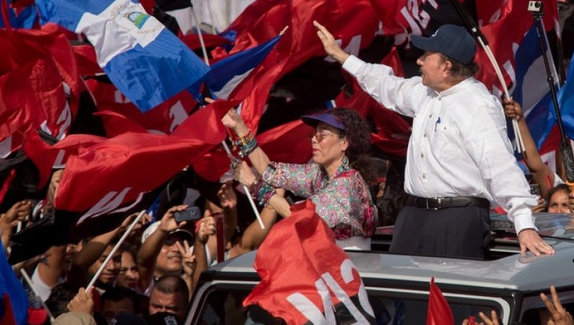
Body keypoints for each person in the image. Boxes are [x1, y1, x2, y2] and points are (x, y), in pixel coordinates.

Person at [314, 21, 552, 259]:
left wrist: (525, 224)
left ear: (446, 67)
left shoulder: (478, 105)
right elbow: (387, 85)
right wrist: (342, 56)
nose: (419, 60)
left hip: (457, 219)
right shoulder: (425, 92)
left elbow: (500, 166)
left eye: (427, 55)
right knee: (403, 292)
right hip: (413, 215)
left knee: (448, 293)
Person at [222, 106, 378, 250]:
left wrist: (254, 185)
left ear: (344, 142)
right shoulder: (320, 174)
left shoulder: (347, 182)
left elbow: (302, 218)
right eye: (313, 134)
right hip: (331, 265)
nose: (314, 139)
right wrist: (240, 127)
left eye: (322, 135)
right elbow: (271, 172)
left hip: (349, 269)